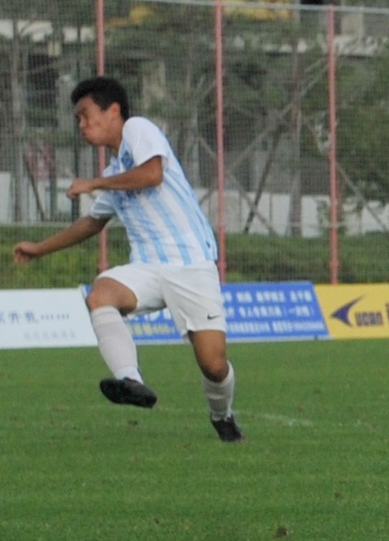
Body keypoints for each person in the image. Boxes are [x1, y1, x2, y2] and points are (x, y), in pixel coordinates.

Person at [12, 77, 243, 441]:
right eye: (78, 119)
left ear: (114, 111)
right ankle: (130, 380)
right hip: (148, 267)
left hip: (191, 263)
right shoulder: (112, 173)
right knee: (99, 294)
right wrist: (40, 248)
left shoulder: (139, 129)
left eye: (85, 115)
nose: (82, 125)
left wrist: (94, 184)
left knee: (213, 365)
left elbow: (152, 175)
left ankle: (222, 416)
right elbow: (92, 222)